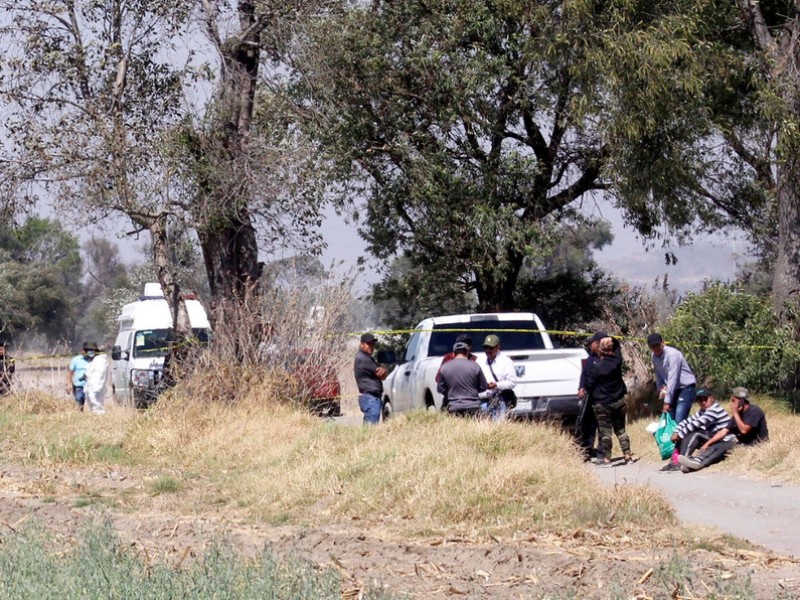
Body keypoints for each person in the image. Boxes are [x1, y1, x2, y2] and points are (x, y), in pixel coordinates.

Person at [585, 336, 633, 466]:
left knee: (605, 433)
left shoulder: (596, 368)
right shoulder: (617, 362)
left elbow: (589, 385)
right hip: (619, 401)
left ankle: (607, 459)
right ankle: (628, 456)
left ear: (600, 351)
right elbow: (617, 347)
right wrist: (611, 339)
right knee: (621, 430)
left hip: (602, 404)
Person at [669, 388, 737, 473]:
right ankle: (674, 461)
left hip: (724, 439)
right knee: (687, 432)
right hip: (715, 437)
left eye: (705, 399)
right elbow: (688, 421)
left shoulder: (714, 410)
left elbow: (697, 423)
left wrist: (679, 435)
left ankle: (683, 460)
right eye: (700, 400)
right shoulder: (703, 411)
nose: (703, 402)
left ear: (711, 398)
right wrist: (677, 431)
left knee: (695, 433)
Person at [647, 332, 697, 424]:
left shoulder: (673, 354)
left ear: (663, 343)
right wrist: (661, 389)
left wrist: (667, 402)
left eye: (657, 345)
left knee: (679, 420)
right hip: (673, 390)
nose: (656, 348)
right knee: (671, 420)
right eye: (653, 346)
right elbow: (658, 374)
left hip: (686, 388)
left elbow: (673, 378)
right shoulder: (653, 356)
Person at [437, 341, 493, 417]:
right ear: (467, 352)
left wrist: (451, 391)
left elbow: (440, 389)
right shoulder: (475, 366)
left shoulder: (444, 368)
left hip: (453, 408)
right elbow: (483, 387)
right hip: (474, 408)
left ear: (454, 353)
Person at [477, 334, 517, 421]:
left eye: (491, 348)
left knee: (498, 430)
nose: (488, 350)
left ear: (498, 347)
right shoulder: (479, 361)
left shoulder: (506, 361)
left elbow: (512, 382)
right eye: (486, 347)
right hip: (482, 401)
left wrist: (496, 385)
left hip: (499, 401)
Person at [577, 332, 603, 461]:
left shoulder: (607, 357)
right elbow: (584, 374)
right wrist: (581, 387)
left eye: (591, 342)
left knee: (602, 425)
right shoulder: (590, 358)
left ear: (598, 343)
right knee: (588, 423)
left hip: (603, 396)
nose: (589, 344)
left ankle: (602, 452)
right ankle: (586, 449)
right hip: (590, 396)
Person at [436, 333, 478, 411]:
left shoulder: (474, 360)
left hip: (470, 400)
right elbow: (438, 379)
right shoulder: (448, 358)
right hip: (451, 400)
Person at [353, 332, 388, 425]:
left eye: (373, 344)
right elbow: (381, 374)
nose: (371, 346)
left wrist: (383, 371)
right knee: (371, 429)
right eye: (368, 344)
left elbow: (383, 375)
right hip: (370, 398)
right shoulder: (363, 358)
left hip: (370, 398)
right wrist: (383, 370)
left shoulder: (366, 358)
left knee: (367, 430)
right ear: (361, 344)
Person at [66, 342, 99, 411]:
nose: (90, 352)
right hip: (79, 386)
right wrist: (69, 384)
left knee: (94, 404)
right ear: (83, 351)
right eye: (88, 350)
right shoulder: (76, 360)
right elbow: (70, 373)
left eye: (92, 350)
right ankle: (80, 416)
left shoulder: (97, 360)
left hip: (92, 386)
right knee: (79, 401)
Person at [83, 345, 109, 415]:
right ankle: (96, 415)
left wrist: (96, 387)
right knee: (92, 401)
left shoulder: (100, 361)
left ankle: (99, 416)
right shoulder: (96, 360)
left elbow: (99, 375)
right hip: (93, 385)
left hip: (96, 386)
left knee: (96, 403)